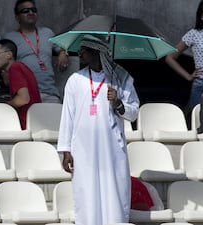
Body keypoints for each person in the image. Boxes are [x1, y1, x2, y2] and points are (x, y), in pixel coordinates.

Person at [57, 35, 140, 225]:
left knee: (115, 194)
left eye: (84, 49)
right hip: (83, 150)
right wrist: (65, 150)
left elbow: (133, 112)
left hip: (111, 149)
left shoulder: (121, 77)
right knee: (86, 194)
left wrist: (118, 102)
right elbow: (67, 115)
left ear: (97, 51)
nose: (80, 53)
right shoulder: (75, 80)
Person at [4, 0, 69, 103]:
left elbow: (62, 48)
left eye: (33, 10)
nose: (30, 13)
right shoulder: (10, 38)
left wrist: (63, 53)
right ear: (17, 17)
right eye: (25, 11)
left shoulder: (47, 33)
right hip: (25, 94)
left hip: (50, 92)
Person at [0, 39, 41, 129]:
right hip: (34, 123)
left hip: (25, 125)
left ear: (9, 55)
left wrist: (3, 107)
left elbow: (23, 99)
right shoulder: (21, 67)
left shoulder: (15, 68)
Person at [165, 0, 203, 110]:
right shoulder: (194, 34)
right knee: (199, 123)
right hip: (201, 84)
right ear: (202, 16)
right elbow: (170, 58)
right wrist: (188, 76)